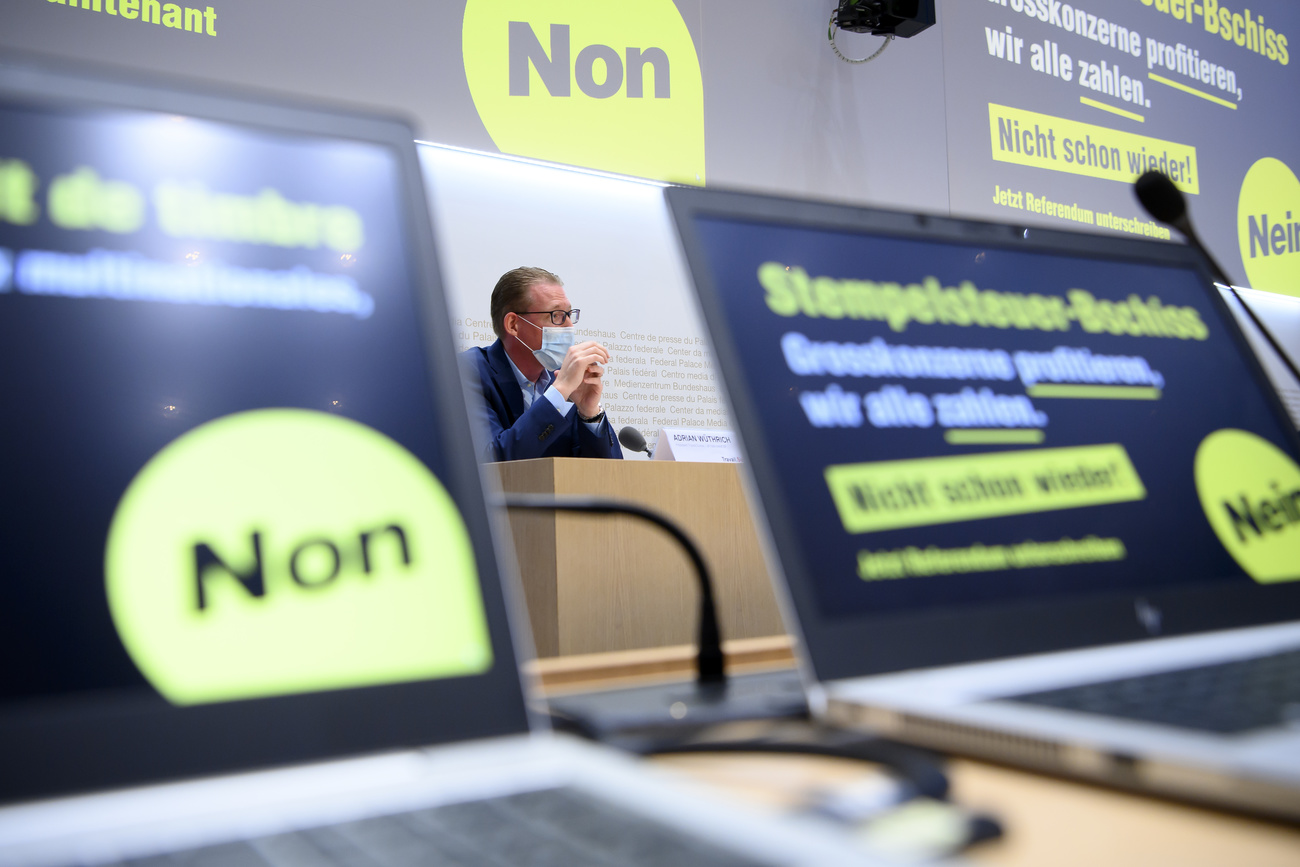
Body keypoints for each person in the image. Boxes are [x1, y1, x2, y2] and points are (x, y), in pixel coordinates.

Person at [461, 267, 623, 462]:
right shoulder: (468, 371)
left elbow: (610, 474)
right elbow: (492, 460)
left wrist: (589, 413)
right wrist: (559, 392)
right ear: (513, 324)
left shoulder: (562, 379)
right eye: (556, 315)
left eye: (570, 315)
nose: (569, 326)